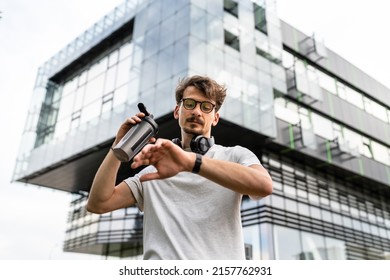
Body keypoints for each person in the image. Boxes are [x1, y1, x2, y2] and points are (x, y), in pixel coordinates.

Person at [86, 75, 273, 260]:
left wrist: (191, 162)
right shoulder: (152, 172)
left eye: (206, 107)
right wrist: (118, 147)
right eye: (190, 104)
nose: (197, 112)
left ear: (215, 118)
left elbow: (263, 186)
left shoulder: (235, 156)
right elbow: (98, 204)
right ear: (177, 111)